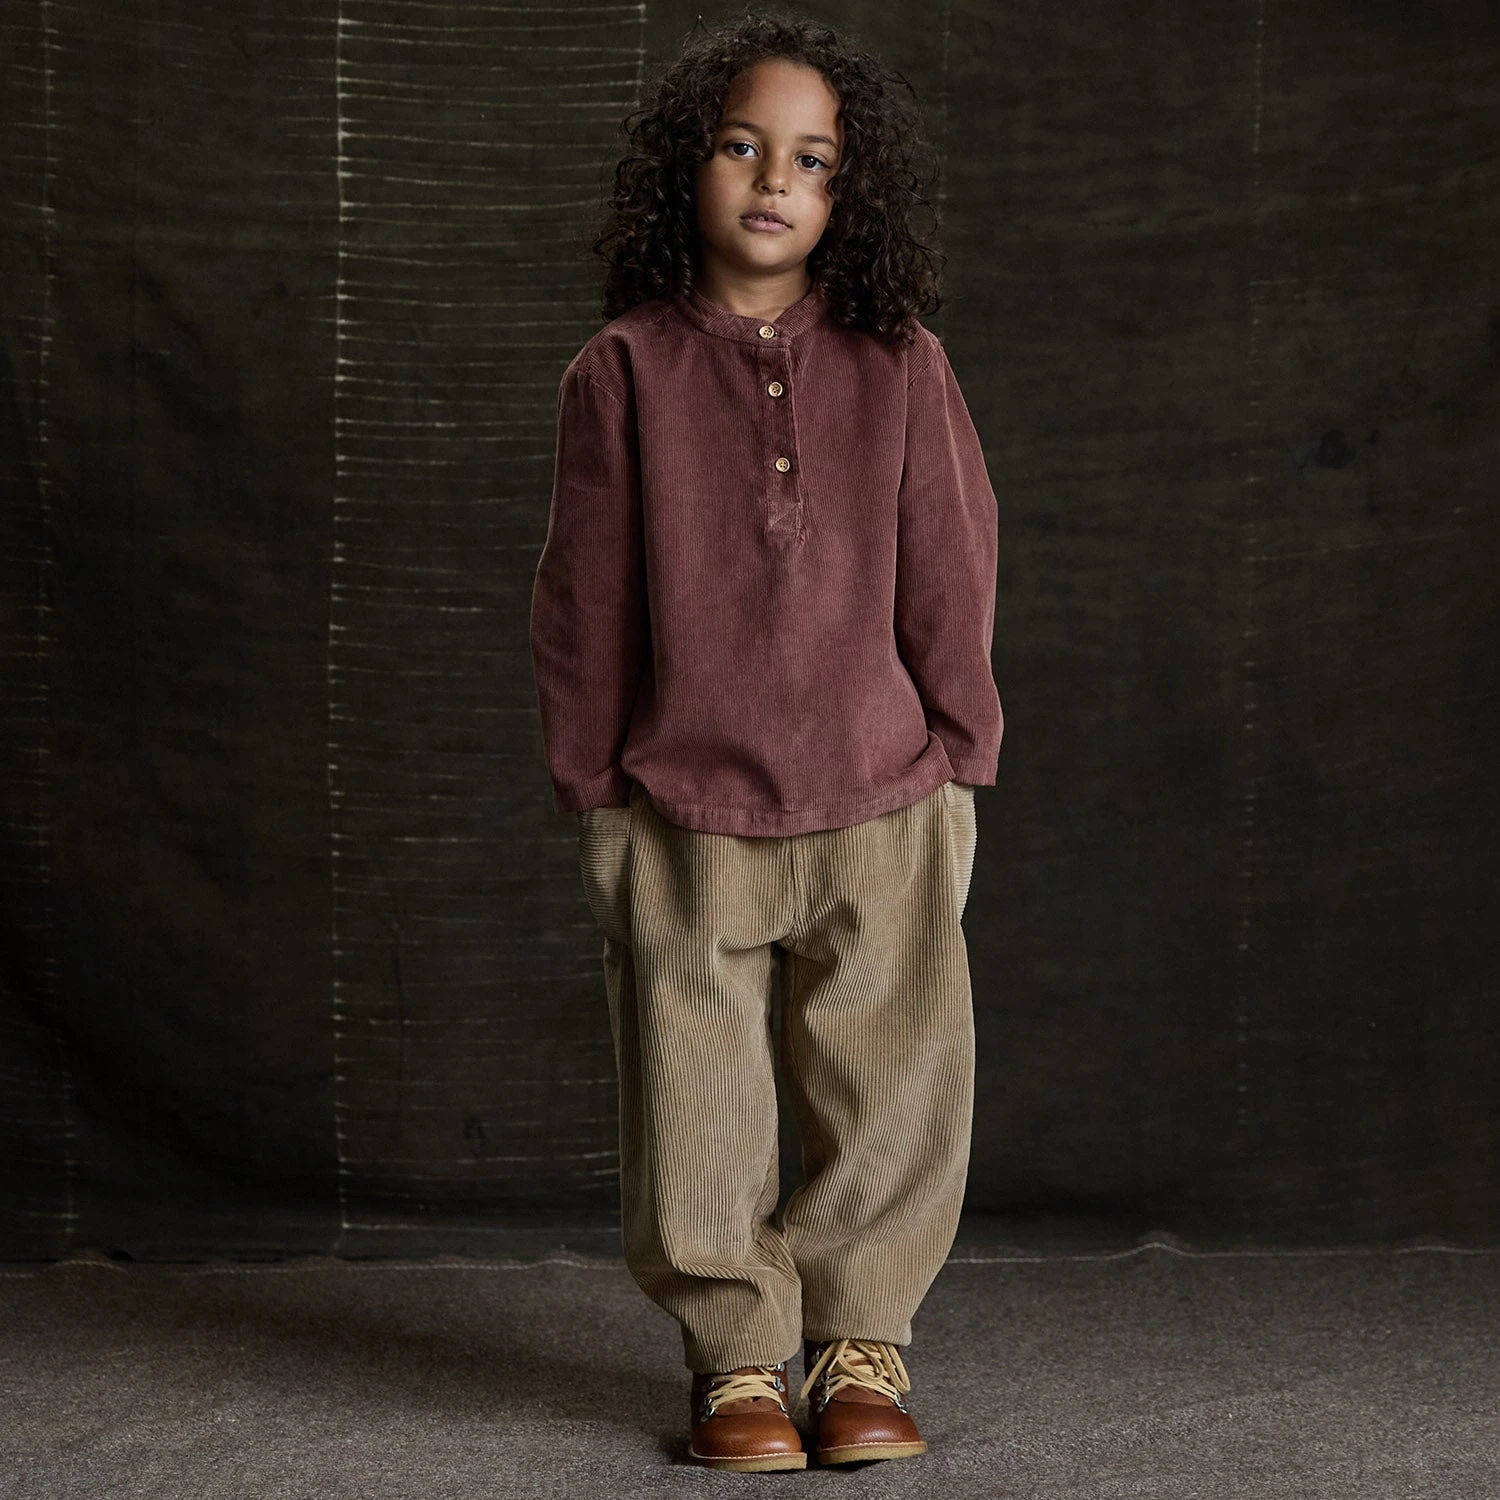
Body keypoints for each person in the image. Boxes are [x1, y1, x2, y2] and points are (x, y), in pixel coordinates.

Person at [528, 10, 1002, 1472]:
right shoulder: (621, 371)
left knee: (894, 1084)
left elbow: (953, 561)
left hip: (883, 792)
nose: (774, 180)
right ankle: (736, 1357)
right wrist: (598, 794)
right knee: (698, 1096)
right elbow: (584, 601)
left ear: (852, 194)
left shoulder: (901, 362)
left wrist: (960, 757)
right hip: (686, 808)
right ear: (688, 166)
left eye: (812, 159)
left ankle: (860, 1344)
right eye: (742, 146)